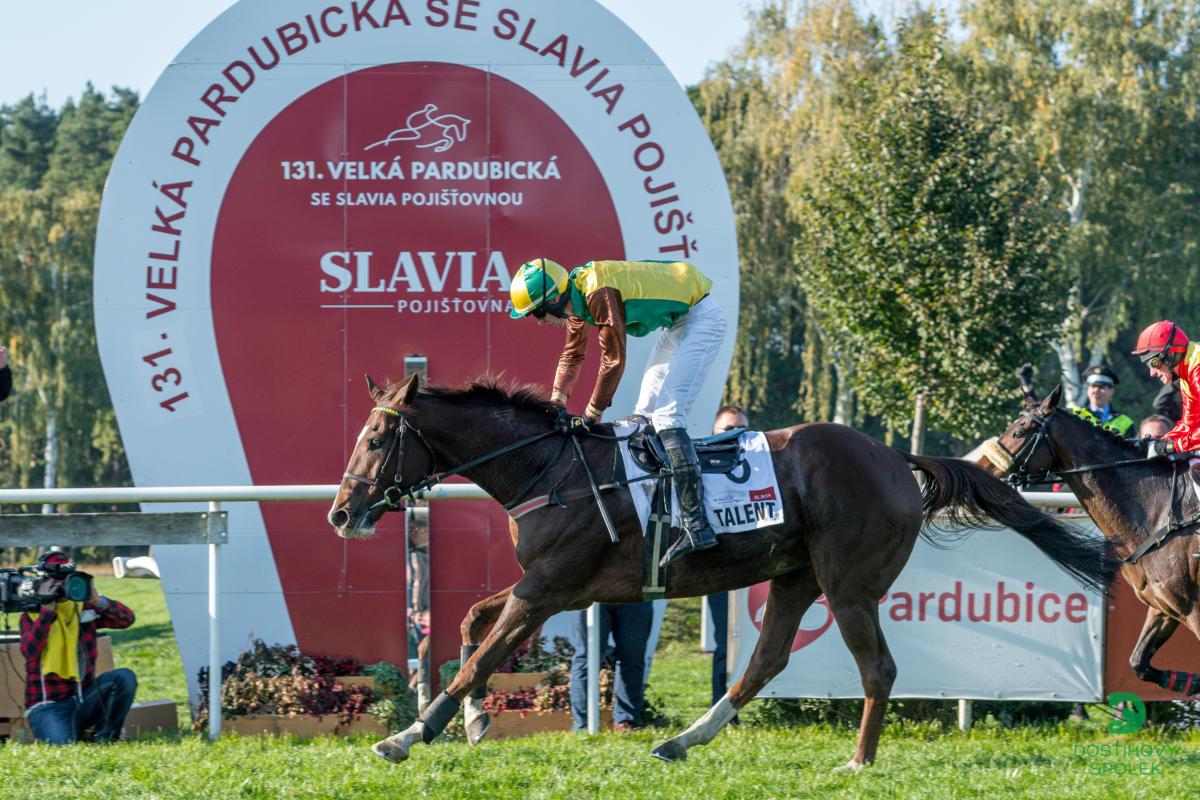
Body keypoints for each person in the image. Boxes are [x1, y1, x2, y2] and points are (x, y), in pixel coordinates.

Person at [510, 258, 727, 567]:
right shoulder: (576, 297)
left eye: (536, 313)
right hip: (677, 322)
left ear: (553, 301)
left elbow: (613, 360)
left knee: (667, 416)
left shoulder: (597, 292)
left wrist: (590, 416)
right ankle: (661, 513)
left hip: (701, 319)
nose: (539, 322)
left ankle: (697, 526)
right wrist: (556, 403)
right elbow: (572, 355)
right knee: (642, 417)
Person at [19, 552, 137, 744]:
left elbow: (126, 620)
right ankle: (80, 733)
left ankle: (104, 738)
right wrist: (47, 613)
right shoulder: (32, 615)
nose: (63, 587)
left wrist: (98, 601)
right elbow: (30, 652)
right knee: (64, 749)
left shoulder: (83, 609)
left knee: (124, 678)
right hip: (48, 706)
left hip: (85, 698)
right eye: (57, 582)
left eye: (68, 580)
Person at [706, 404, 748, 715]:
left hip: (756, 570)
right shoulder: (700, 470)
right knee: (725, 643)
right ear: (713, 434)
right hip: (718, 571)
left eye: (741, 430)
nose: (734, 436)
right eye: (727, 430)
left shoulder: (760, 471)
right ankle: (720, 709)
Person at [567, 602, 653, 733]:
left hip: (635, 594)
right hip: (590, 592)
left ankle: (626, 722)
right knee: (587, 658)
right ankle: (582, 725)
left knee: (633, 658)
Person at [1072, 366, 1133, 436]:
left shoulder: (1126, 422)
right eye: (1093, 386)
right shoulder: (1076, 415)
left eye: (1101, 387)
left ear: (1111, 391)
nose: (1096, 391)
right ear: (1088, 389)